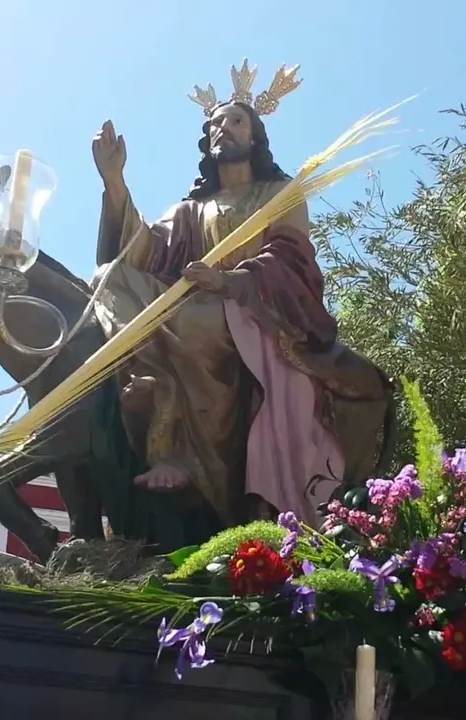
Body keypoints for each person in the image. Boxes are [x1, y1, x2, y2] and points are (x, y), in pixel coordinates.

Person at [90, 61, 388, 550]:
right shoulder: (191, 210)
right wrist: (115, 183)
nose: (222, 129)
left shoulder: (279, 194)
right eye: (214, 124)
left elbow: (291, 258)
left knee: (194, 322)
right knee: (108, 280)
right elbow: (144, 253)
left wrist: (229, 281)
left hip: (257, 310)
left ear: (255, 136)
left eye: (235, 121)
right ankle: (152, 420)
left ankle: (183, 456)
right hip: (192, 302)